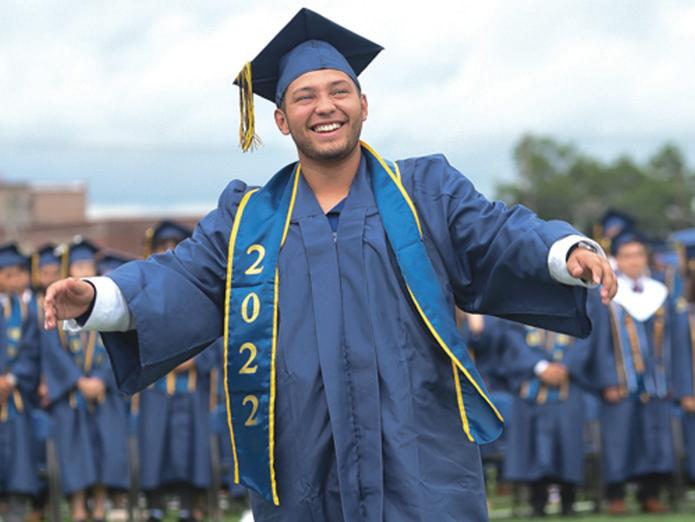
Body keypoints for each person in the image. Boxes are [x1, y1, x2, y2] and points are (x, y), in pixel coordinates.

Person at [44, 8, 616, 521]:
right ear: (281, 120)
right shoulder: (248, 220)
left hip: (418, 448)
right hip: (302, 454)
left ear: (363, 105)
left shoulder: (425, 193)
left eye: (339, 91)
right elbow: (183, 277)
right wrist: (97, 296)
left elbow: (497, 232)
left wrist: (564, 250)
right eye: (304, 96)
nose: (325, 106)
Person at [577, 230, 680, 515]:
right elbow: (598, 342)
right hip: (620, 382)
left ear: (646, 258)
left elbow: (673, 342)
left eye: (638, 255)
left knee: (653, 436)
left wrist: (672, 378)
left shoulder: (660, 293)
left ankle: (651, 495)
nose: (633, 261)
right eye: (627, 256)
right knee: (619, 438)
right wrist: (607, 380)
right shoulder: (605, 293)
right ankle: (616, 496)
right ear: (617, 260)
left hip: (656, 382)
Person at [40, 238, 129, 522]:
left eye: (87, 265)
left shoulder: (105, 304)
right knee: (74, 448)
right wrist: (77, 381)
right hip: (71, 393)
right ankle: (78, 508)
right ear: (68, 270)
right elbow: (52, 350)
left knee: (105, 444)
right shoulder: (57, 304)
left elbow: (118, 346)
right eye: (78, 265)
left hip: (103, 392)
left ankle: (100, 505)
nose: (83, 269)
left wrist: (102, 380)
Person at [136, 220, 216, 522]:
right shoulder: (144, 291)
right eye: (163, 246)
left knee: (190, 446)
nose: (168, 251)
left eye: (175, 246)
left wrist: (195, 360)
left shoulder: (203, 291)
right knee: (155, 444)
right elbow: (135, 334)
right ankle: (154, 504)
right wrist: (166, 357)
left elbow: (216, 335)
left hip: (191, 386)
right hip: (157, 385)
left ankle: (188, 503)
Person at [502, 324, 589, 517]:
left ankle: (569, 502)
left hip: (568, 388)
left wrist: (564, 366)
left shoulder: (579, 304)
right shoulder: (518, 309)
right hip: (530, 388)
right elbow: (513, 339)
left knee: (568, 444)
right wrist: (540, 367)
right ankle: (537, 503)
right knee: (532, 446)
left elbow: (586, 338)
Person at [0, 243, 41, 522]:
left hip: (15, 398)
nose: (14, 280)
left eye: (18, 274)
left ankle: (16, 511)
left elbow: (31, 351)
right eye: (7, 274)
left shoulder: (26, 312)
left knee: (18, 457)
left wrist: (11, 379)